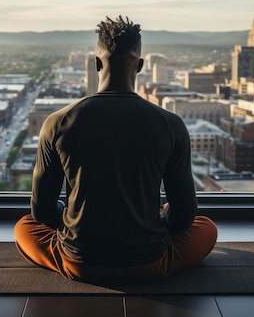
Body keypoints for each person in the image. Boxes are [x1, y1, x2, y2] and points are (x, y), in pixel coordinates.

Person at [14, 15, 217, 284]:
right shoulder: (171, 124)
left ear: (96, 63)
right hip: (149, 261)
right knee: (206, 228)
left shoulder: (57, 122)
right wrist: (159, 220)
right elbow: (184, 215)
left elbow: (41, 212)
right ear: (141, 66)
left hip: (79, 261)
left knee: (24, 227)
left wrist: (68, 216)